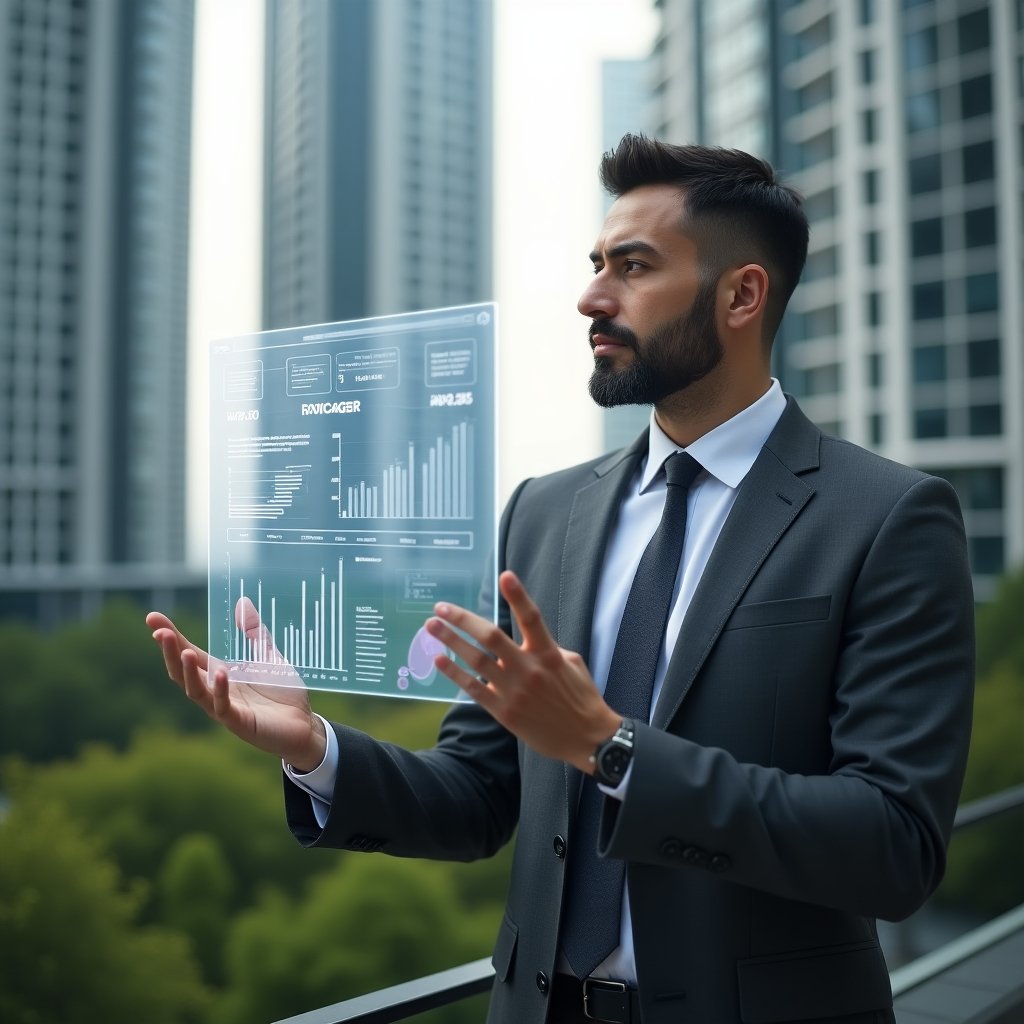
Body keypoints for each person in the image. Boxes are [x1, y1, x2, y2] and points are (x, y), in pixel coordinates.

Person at [149, 134, 975, 1024]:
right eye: (596, 264)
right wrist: (313, 747)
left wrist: (612, 749)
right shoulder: (543, 513)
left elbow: (894, 847)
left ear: (742, 294)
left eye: (633, 266)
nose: (592, 296)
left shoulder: (887, 517)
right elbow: (479, 792)